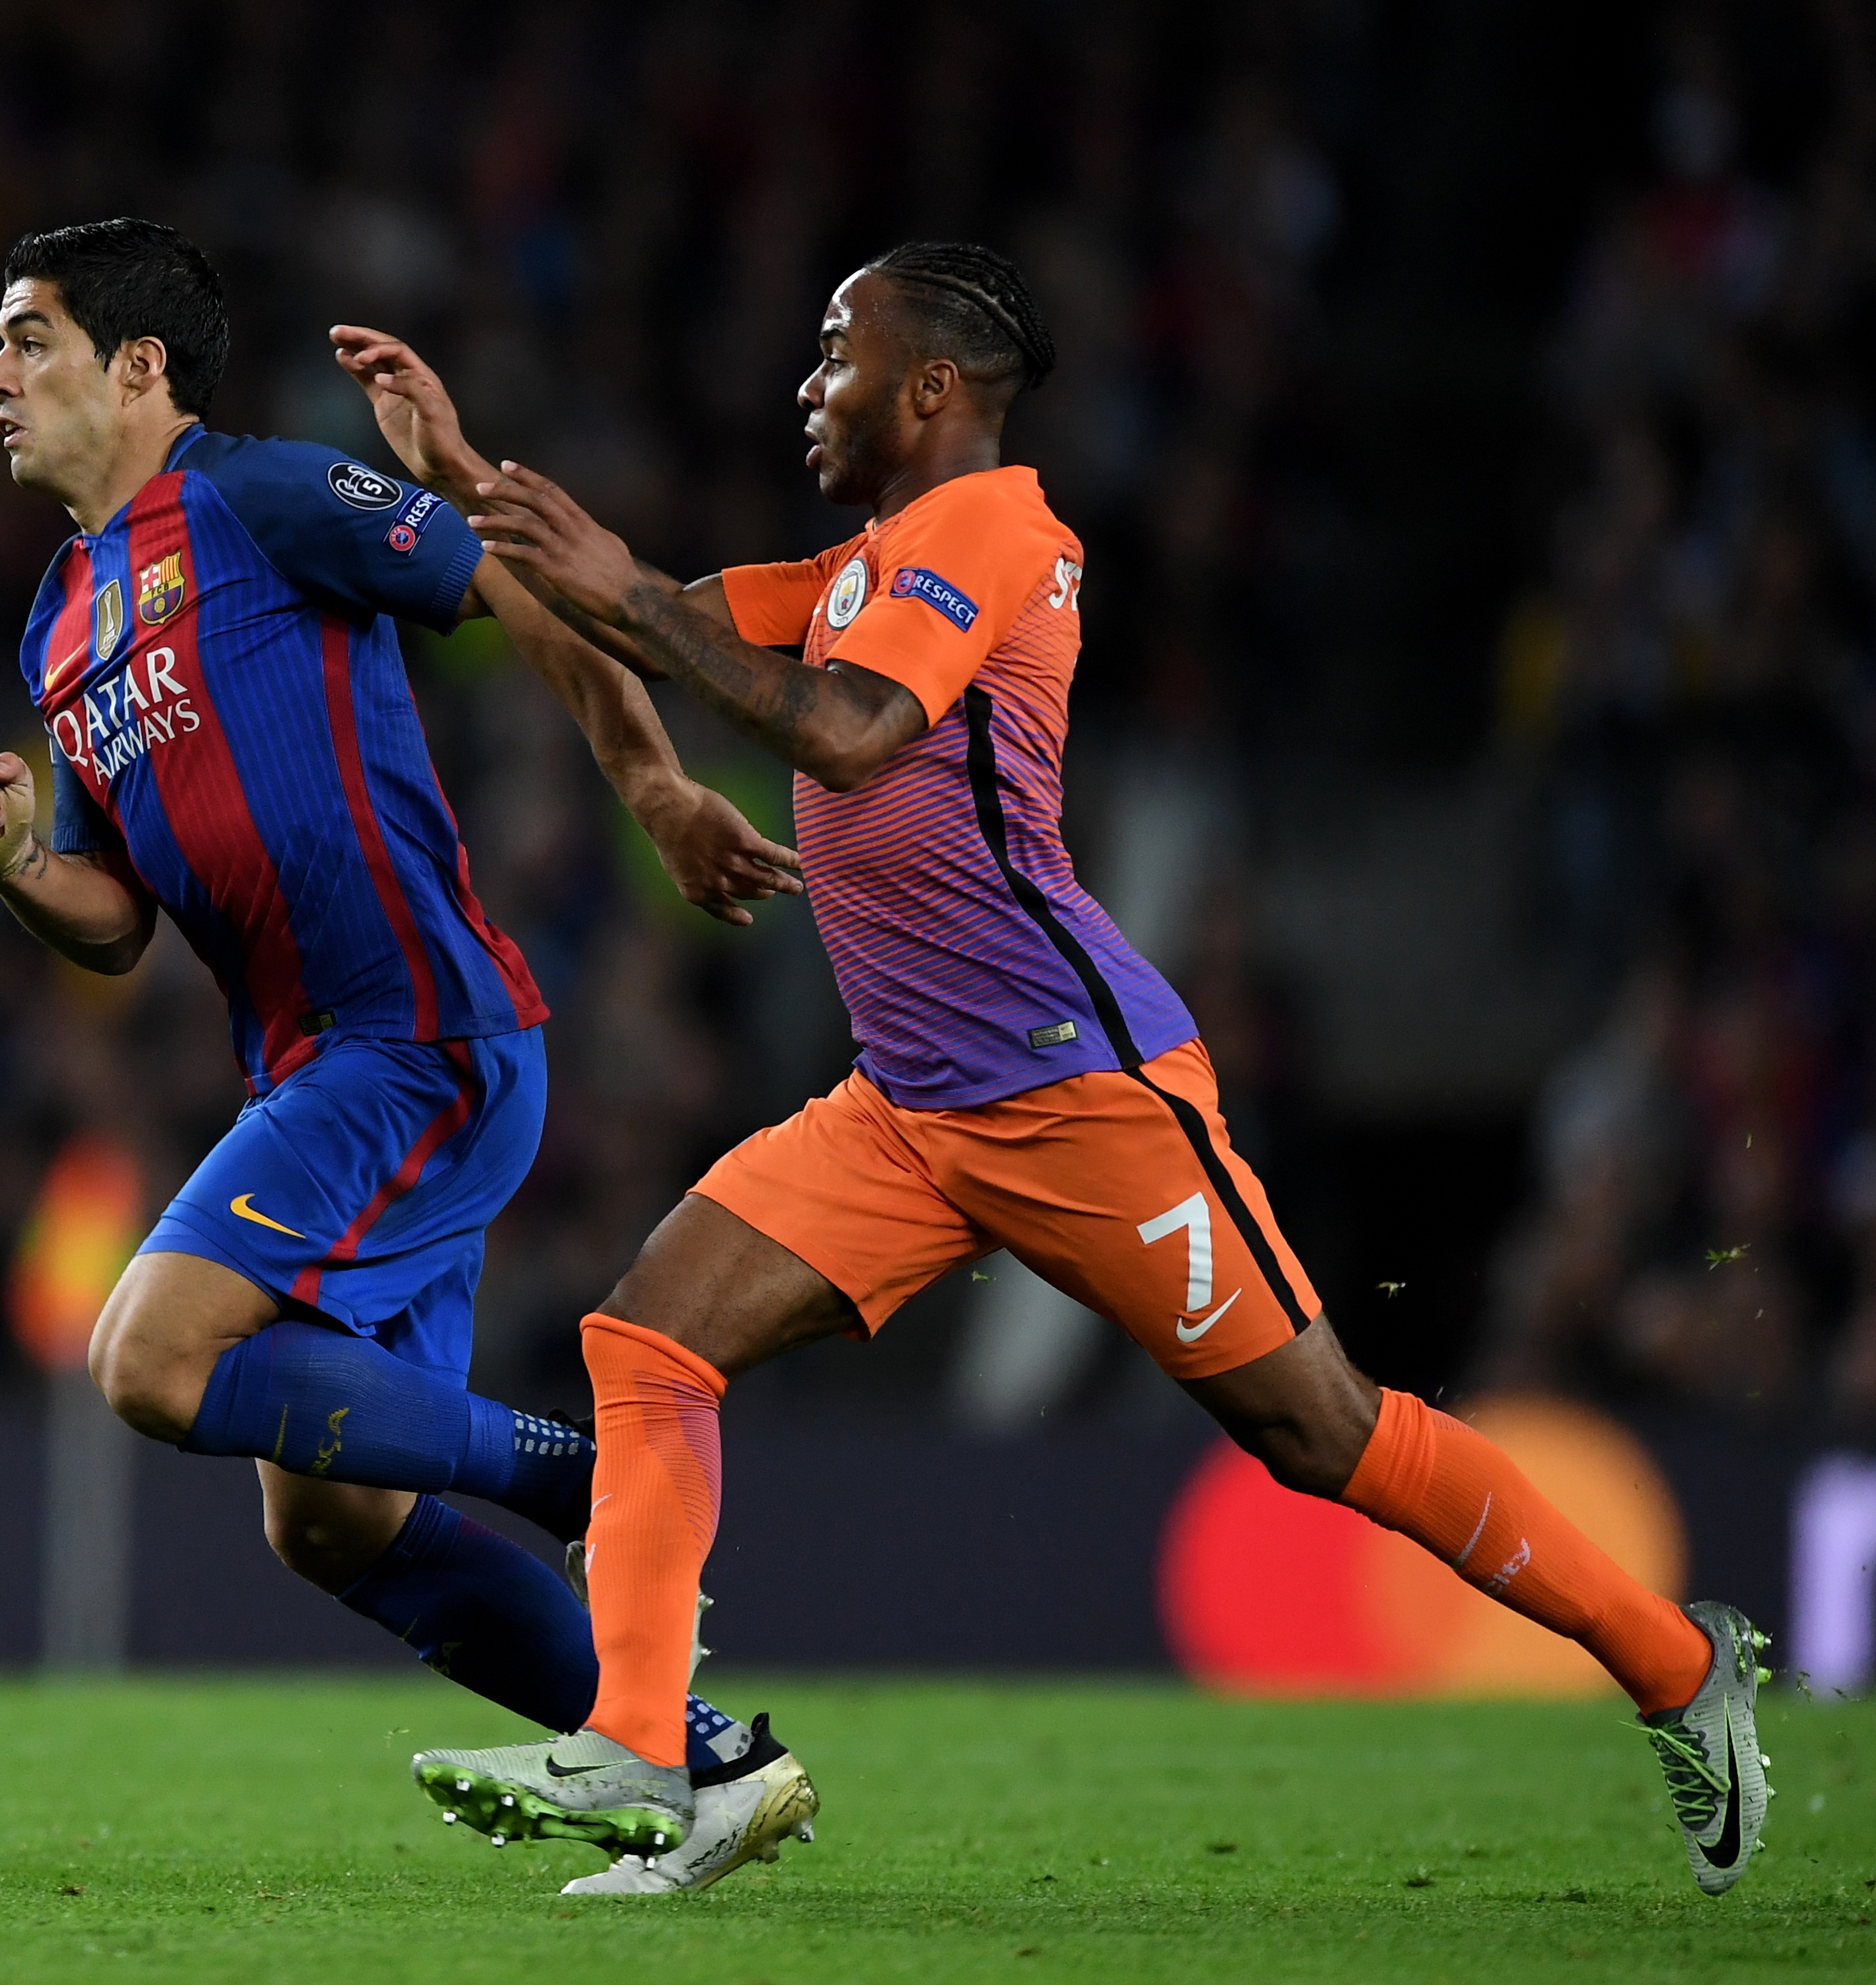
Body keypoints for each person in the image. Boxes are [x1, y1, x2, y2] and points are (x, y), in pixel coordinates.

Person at [359, 241, 1772, 1898]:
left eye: (836, 352)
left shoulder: (997, 531)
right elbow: (617, 605)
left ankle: (1680, 1667)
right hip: (907, 1109)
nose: (809, 385)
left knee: (1323, 1431)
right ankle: (646, 1749)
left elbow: (844, 734)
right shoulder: (860, 565)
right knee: (650, 1336)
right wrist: (463, 472)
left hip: (1076, 1093)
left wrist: (632, 590)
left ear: (931, 385)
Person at [0, 219, 816, 1874]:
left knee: (147, 1359)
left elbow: (521, 590)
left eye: (28, 338)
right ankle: (703, 1769)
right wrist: (17, 864)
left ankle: (585, 1479)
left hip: (415, 1039)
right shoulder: (60, 617)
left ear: (138, 367)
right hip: (325, 1072)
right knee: (331, 1523)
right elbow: (115, 923)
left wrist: (655, 787)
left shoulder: (260, 497)